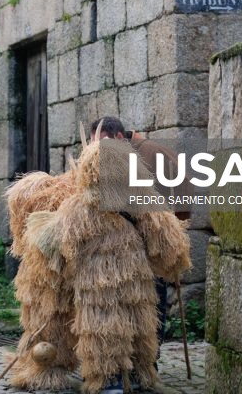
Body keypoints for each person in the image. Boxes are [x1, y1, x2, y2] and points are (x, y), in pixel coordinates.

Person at [5, 122, 191, 393]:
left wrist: (173, 257)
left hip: (135, 283)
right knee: (104, 329)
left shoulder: (138, 200)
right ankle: (108, 378)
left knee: (140, 328)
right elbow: (56, 242)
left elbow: (163, 234)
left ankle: (139, 373)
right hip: (96, 286)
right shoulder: (82, 207)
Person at [90, 116, 193, 356]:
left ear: (118, 136)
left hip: (151, 244)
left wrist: (172, 226)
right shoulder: (110, 156)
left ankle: (148, 361)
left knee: (152, 301)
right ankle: (125, 360)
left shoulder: (154, 152)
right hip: (119, 247)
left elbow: (185, 186)